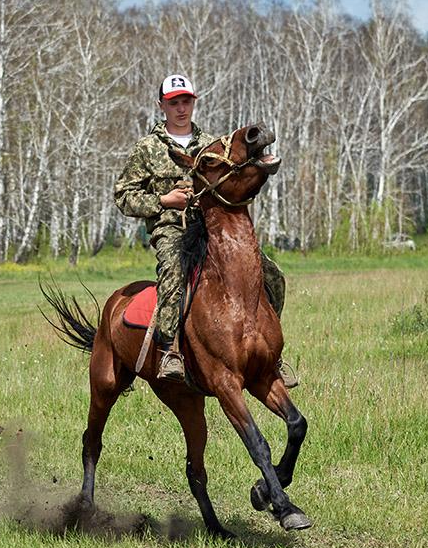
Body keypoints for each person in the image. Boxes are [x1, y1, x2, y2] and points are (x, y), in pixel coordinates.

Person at [114, 73, 297, 386]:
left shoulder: (212, 144)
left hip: (214, 226)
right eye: (174, 103)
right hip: (172, 228)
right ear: (162, 106)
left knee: (270, 274)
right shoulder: (146, 149)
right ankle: (170, 349)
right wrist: (164, 200)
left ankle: (271, 354)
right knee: (173, 272)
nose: (181, 108)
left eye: (186, 101)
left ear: (193, 102)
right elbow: (123, 196)